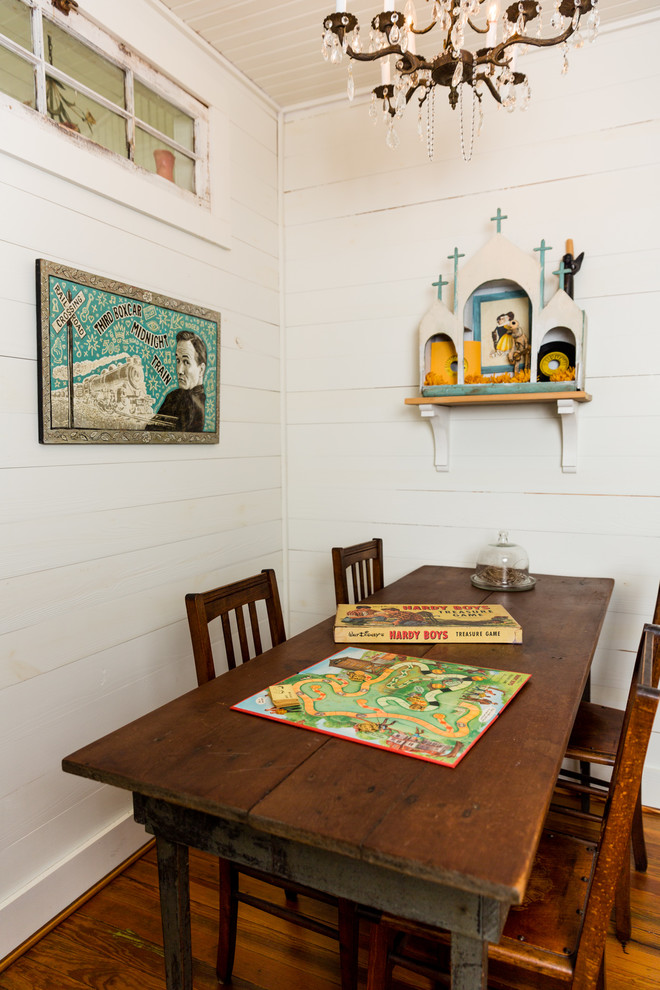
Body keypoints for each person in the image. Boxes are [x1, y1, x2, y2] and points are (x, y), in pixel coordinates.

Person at [146, 330, 207, 432]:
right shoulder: (175, 396)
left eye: (186, 362)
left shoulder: (188, 402)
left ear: (201, 369)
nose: (179, 370)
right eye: (178, 361)